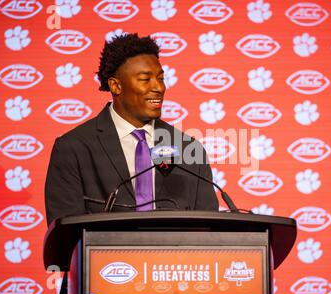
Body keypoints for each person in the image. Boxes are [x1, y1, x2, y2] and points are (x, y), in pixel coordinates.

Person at [45, 33, 218, 226]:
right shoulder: (74, 148)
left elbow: (208, 229)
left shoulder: (188, 149)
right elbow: (65, 235)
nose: (159, 87)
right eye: (145, 79)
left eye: (160, 78)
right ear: (116, 85)